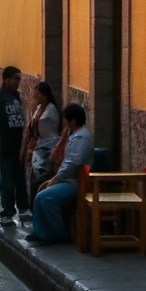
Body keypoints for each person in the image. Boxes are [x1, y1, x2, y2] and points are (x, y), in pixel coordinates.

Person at [26, 104, 92, 245]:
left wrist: (55, 179)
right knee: (39, 189)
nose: (64, 123)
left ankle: (60, 233)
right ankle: (41, 231)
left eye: (66, 120)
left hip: (75, 181)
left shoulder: (82, 137)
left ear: (73, 122)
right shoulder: (72, 134)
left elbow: (72, 163)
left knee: (46, 197)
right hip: (66, 178)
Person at [0, 65, 31, 222]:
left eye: (19, 79)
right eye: (15, 79)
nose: (18, 82)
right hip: (5, 144)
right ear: (6, 79)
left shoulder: (16, 96)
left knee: (20, 177)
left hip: (18, 144)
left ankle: (23, 208)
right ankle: (7, 211)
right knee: (7, 178)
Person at [25, 81, 62, 199]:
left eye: (38, 93)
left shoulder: (51, 110)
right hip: (38, 146)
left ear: (45, 95)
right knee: (34, 176)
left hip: (47, 146)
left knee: (42, 176)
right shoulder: (39, 108)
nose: (35, 96)